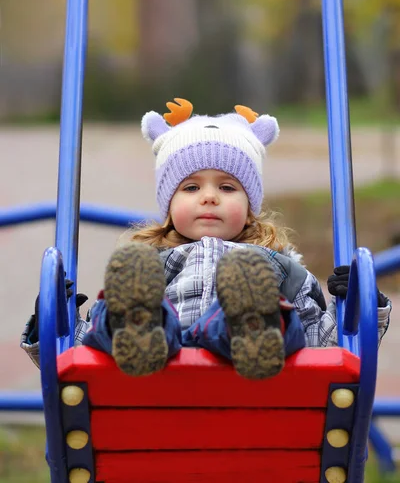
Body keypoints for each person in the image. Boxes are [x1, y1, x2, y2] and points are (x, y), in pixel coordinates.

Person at [21, 99, 392, 380]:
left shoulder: (279, 267)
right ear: (169, 204)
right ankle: (139, 325)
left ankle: (250, 324)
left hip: (245, 371)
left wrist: (361, 306)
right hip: (157, 366)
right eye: (191, 186)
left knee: (273, 315)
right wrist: (54, 321)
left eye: (228, 187)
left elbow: (327, 345)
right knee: (119, 313)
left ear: (250, 207)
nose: (209, 196)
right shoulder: (147, 265)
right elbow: (75, 361)